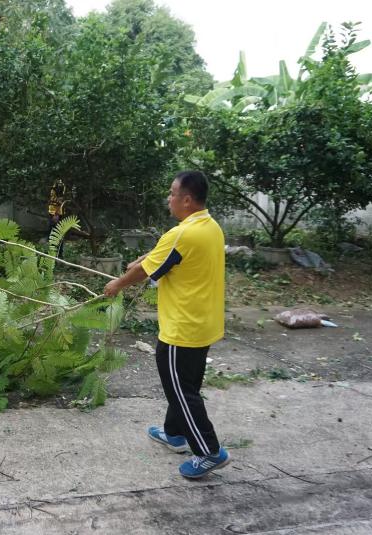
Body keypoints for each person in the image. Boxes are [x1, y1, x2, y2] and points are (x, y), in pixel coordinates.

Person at [104, 170, 229, 479]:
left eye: (173, 194)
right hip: (203, 324)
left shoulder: (180, 234)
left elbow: (146, 270)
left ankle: (209, 451)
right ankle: (175, 433)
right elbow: (166, 254)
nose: (169, 198)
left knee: (181, 390)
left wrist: (117, 284)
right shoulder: (209, 227)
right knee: (185, 385)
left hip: (181, 330)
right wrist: (143, 259)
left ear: (187, 200)